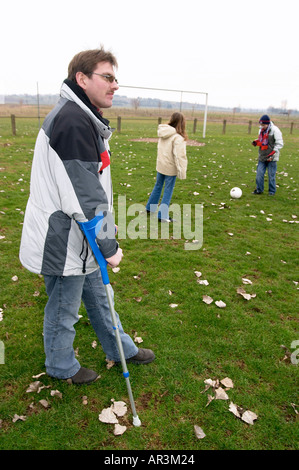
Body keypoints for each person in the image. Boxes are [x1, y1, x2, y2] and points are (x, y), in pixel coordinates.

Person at [19, 48, 155, 384]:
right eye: (107, 77)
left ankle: (119, 348)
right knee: (64, 307)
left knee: (100, 297)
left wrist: (102, 229)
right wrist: (108, 244)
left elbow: (90, 187)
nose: (115, 85)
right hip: (65, 239)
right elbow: (84, 196)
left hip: (82, 236)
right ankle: (61, 365)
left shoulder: (81, 117)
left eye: (115, 78)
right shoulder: (72, 122)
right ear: (82, 78)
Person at [146, 112, 188, 222]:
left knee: (158, 186)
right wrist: (182, 171)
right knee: (168, 190)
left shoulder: (163, 134)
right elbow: (180, 156)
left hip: (161, 165)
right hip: (170, 168)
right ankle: (162, 215)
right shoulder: (178, 138)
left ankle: (150, 208)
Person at [252, 114, 284, 195]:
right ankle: (259, 190)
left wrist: (273, 154)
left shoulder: (275, 130)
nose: (262, 126)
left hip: (272, 158)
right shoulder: (261, 130)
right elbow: (262, 141)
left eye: (263, 125)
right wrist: (256, 142)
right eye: (261, 125)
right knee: (259, 174)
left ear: (268, 123)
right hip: (262, 156)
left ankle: (272, 191)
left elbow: (279, 143)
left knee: (271, 176)